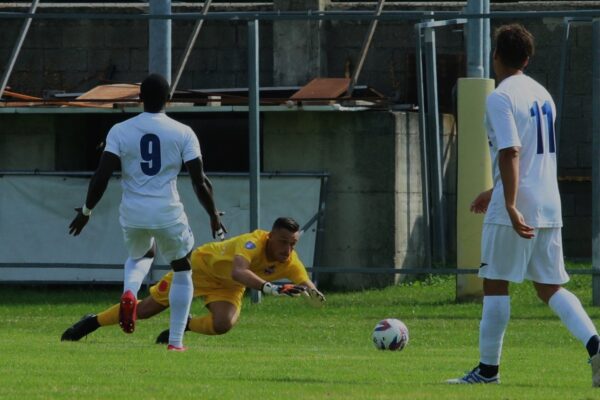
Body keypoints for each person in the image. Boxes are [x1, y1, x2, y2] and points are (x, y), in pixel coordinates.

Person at [447, 24, 600, 386]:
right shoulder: (542, 93)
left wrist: (510, 203)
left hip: (516, 205)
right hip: (548, 203)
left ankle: (487, 372)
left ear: (495, 55)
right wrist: (494, 188)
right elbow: (530, 154)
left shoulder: (500, 96)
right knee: (550, 287)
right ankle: (596, 345)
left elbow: (512, 150)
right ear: (528, 58)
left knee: (495, 283)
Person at [68, 73, 225, 352]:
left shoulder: (120, 130)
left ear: (139, 98)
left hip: (133, 212)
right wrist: (213, 214)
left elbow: (102, 174)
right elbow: (200, 181)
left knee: (141, 254)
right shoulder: (183, 132)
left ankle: (130, 291)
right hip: (167, 211)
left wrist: (86, 210)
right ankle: (176, 342)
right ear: (169, 99)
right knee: (182, 268)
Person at [62, 217, 325, 344]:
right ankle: (91, 322)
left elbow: (306, 283)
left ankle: (183, 326)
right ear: (269, 237)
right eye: (282, 242)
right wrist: (269, 288)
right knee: (145, 310)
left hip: (227, 286)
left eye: (292, 244)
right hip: (197, 269)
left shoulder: (289, 260)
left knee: (223, 324)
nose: (287, 249)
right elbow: (239, 271)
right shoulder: (253, 242)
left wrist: (313, 295)